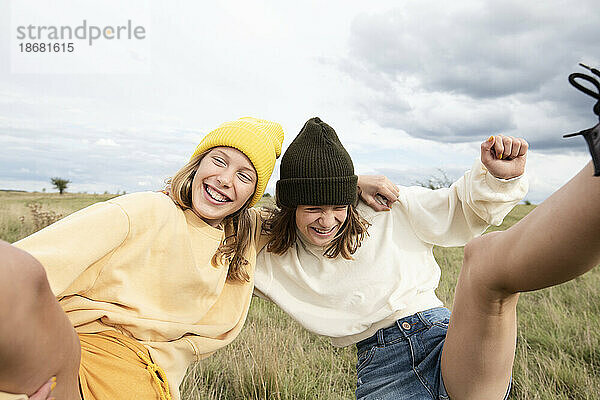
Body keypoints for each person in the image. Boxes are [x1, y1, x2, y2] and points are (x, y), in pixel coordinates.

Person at [254, 116, 598, 399]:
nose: (328, 221)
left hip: (442, 338)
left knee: (485, 264)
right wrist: (350, 181)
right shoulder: (267, 249)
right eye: (314, 208)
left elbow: (457, 209)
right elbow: (213, 218)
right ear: (290, 205)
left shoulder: (384, 206)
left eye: (337, 206)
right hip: (380, 369)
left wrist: (496, 177)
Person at [0, 117, 285, 400]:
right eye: (218, 161)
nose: (224, 179)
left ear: (252, 195)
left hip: (141, 380)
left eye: (244, 175)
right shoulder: (148, 210)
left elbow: (307, 212)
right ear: (198, 164)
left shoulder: (242, 236)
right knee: (20, 271)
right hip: (78, 363)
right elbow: (33, 263)